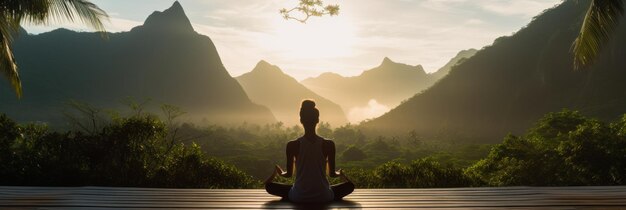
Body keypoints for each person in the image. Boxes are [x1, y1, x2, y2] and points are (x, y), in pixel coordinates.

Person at [264, 99, 355, 203]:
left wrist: (278, 173)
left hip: (298, 196)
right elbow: (332, 174)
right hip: (324, 196)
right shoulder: (329, 144)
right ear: (317, 120)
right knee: (349, 186)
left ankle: (300, 191)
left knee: (270, 186)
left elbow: (288, 175)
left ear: (301, 120)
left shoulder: (292, 145)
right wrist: (341, 174)